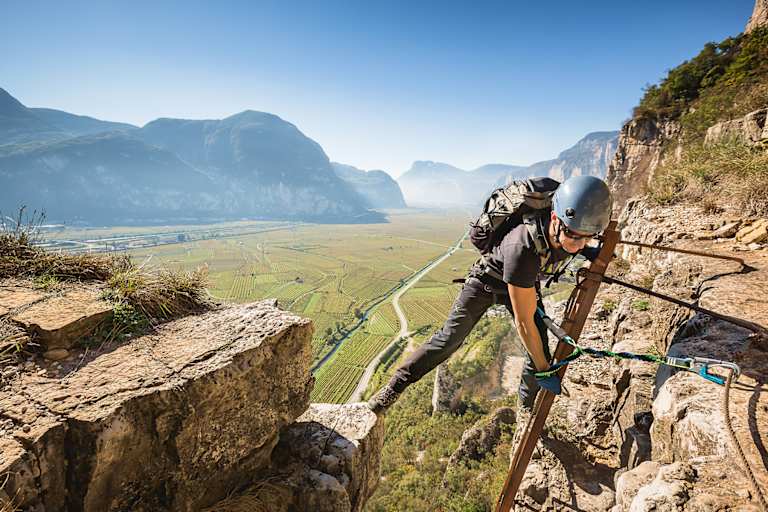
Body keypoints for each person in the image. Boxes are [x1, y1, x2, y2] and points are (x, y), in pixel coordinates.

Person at [367, 175, 613, 417]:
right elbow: (524, 322)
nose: (579, 244)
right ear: (554, 219)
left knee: (540, 348)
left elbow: (573, 241)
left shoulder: (571, 229)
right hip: (485, 284)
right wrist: (544, 371)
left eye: (587, 237)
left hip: (524, 283)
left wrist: (590, 250)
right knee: (448, 340)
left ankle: (526, 410)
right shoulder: (523, 247)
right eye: (573, 235)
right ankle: (393, 388)